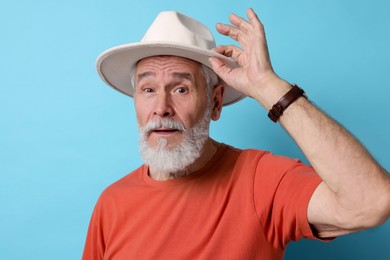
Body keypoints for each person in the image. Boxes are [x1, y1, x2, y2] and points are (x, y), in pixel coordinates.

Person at [83, 8, 390, 259]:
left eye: (180, 88)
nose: (161, 108)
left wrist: (268, 86)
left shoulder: (259, 180)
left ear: (215, 102)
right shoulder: (111, 203)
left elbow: (372, 201)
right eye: (148, 89)